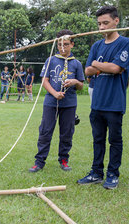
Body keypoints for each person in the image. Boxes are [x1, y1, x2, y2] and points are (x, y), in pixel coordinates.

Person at [77, 6, 129, 189]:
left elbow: (117, 69)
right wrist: (104, 66)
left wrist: (98, 64)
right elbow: (87, 71)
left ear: (116, 21)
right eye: (99, 24)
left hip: (114, 103)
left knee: (115, 140)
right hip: (97, 102)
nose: (102, 28)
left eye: (105, 23)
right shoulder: (97, 45)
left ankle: (113, 174)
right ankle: (96, 173)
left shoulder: (125, 43)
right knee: (97, 139)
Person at [29, 29, 84, 173]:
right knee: (45, 131)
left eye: (66, 44)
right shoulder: (51, 60)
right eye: (60, 45)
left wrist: (74, 82)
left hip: (70, 104)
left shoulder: (77, 63)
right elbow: (44, 80)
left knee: (66, 133)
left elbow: (81, 86)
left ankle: (64, 160)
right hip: (51, 103)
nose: (62, 47)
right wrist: (54, 93)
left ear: (72, 44)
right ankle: (39, 161)